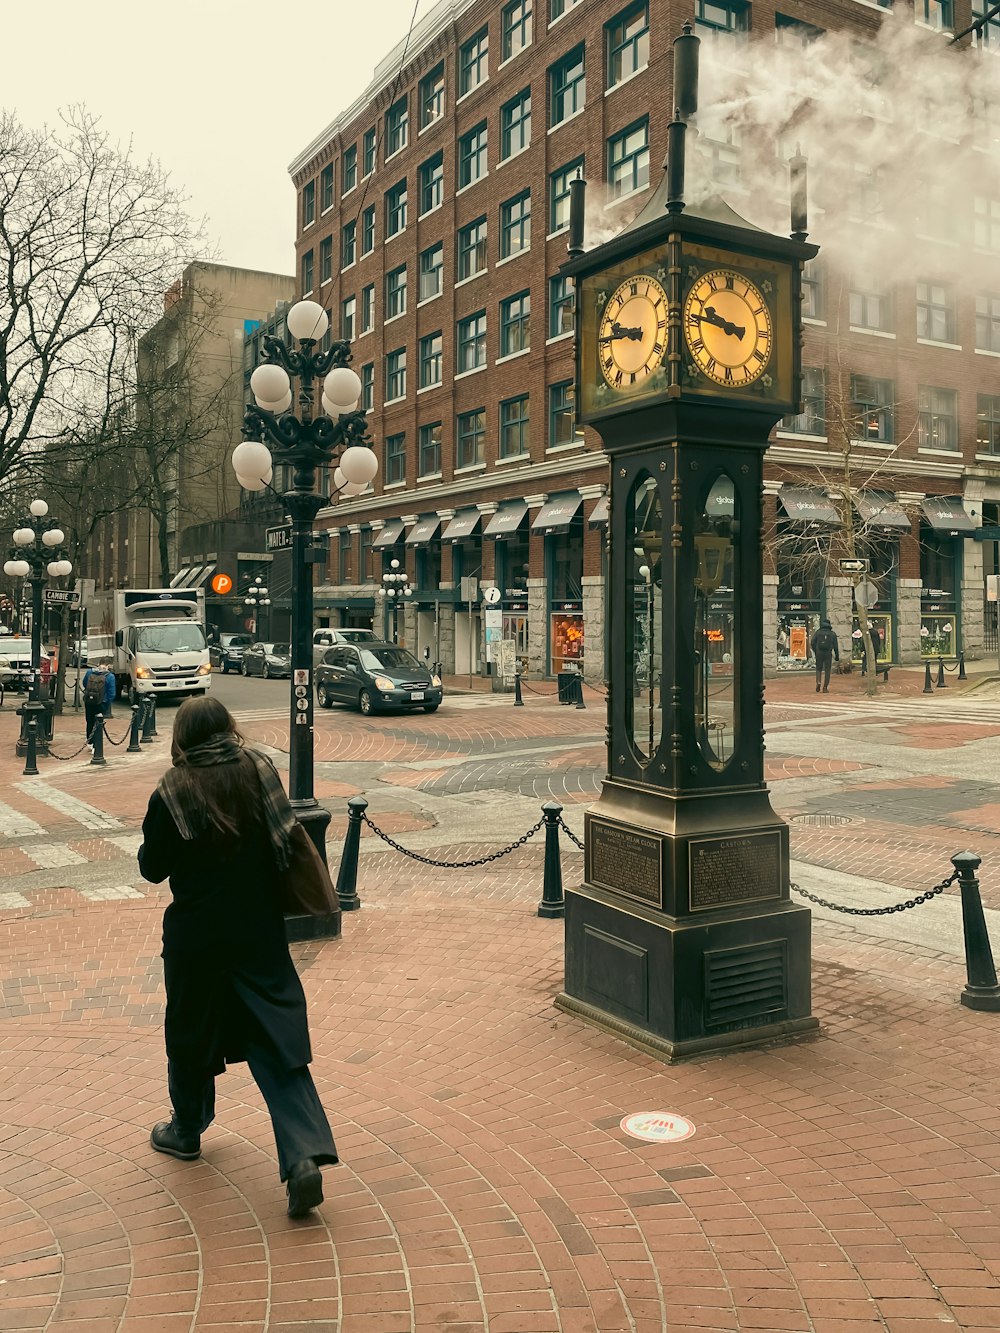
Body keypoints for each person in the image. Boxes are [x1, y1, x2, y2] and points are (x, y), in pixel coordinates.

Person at [137, 695, 338, 1218]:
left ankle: (186, 1129)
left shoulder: (172, 790)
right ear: (228, 727)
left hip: (196, 936)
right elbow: (286, 839)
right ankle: (302, 1156)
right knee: (277, 1039)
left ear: (182, 737)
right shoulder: (259, 769)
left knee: (189, 1031)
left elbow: (152, 867)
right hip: (257, 929)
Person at [83, 659, 116, 743]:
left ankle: (89, 741)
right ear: (108, 665)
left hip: (89, 701)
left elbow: (84, 683)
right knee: (98, 722)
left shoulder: (89, 672)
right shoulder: (110, 676)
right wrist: (107, 701)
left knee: (89, 721)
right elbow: (112, 693)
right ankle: (97, 742)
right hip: (102, 702)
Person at [810, 619, 840, 693]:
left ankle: (818, 681)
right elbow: (836, 646)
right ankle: (825, 687)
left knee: (818, 669)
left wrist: (815, 650)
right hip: (828, 653)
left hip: (819, 652)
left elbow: (812, 642)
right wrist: (837, 656)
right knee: (827, 670)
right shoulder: (832, 634)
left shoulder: (818, 632)